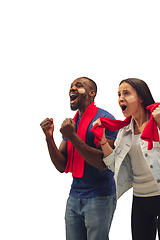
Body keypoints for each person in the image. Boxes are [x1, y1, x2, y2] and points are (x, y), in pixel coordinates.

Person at [92, 78, 160, 240]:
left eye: (126, 93)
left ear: (141, 97)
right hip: (140, 201)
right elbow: (113, 164)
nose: (120, 98)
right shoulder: (124, 131)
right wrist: (102, 140)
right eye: (118, 94)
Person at [40, 77, 118, 240]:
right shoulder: (72, 123)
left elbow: (104, 163)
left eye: (79, 86)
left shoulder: (105, 119)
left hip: (100, 196)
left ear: (92, 93)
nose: (73, 88)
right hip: (74, 196)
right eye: (71, 86)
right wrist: (49, 138)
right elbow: (62, 165)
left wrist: (73, 137)